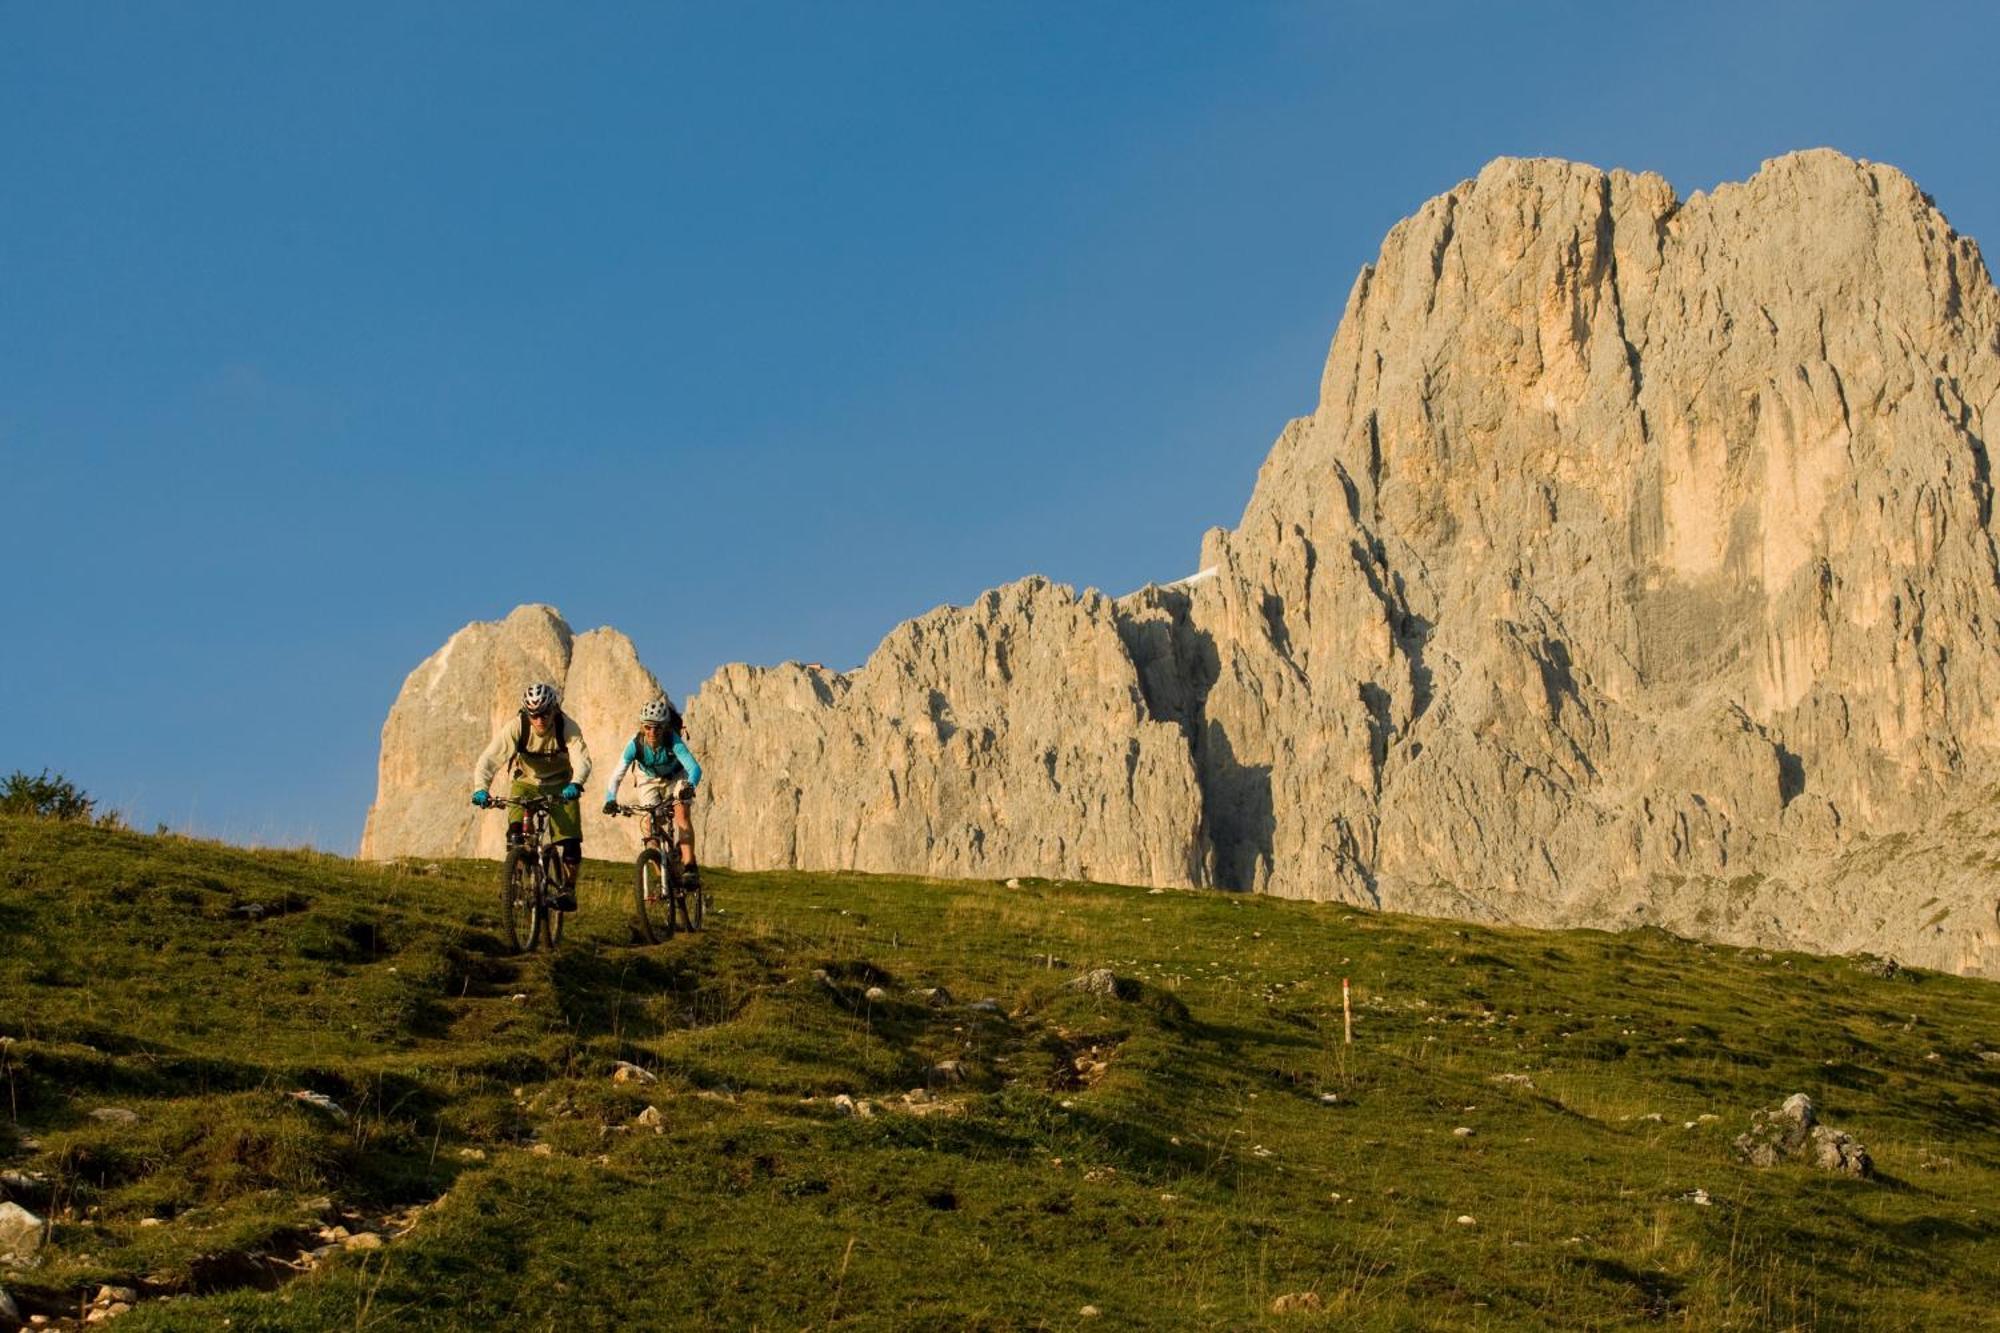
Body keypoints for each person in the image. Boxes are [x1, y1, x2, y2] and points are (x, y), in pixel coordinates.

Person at [470, 682, 591, 910]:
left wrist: (576, 783)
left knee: (570, 840)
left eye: (544, 713)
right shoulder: (517, 727)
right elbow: (489, 759)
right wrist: (480, 788)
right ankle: (513, 884)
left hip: (560, 785)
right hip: (525, 783)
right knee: (515, 834)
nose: (539, 720)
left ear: (553, 709)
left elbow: (582, 759)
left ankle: (568, 889)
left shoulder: (566, 726)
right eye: (534, 714)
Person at [602, 693, 703, 892]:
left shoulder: (674, 742)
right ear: (642, 726)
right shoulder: (634, 745)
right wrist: (610, 798)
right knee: (649, 824)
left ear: (665, 727)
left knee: (681, 813)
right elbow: (617, 775)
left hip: (676, 776)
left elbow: (694, 769)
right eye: (647, 727)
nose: (652, 732)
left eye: (657, 727)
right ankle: (662, 874)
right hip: (647, 778)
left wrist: (689, 787)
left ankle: (690, 867)